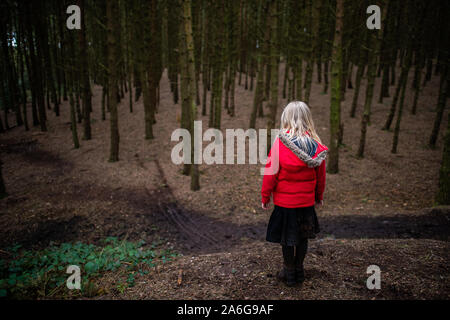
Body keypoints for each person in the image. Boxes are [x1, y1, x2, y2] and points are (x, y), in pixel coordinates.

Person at [261, 101, 328, 287]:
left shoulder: (280, 143)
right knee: (302, 237)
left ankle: (289, 272)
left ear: (286, 119)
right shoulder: (316, 145)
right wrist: (319, 196)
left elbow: (270, 173)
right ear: (308, 119)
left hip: (285, 204)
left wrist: (265, 197)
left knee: (287, 239)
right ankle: (299, 270)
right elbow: (321, 176)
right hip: (306, 203)